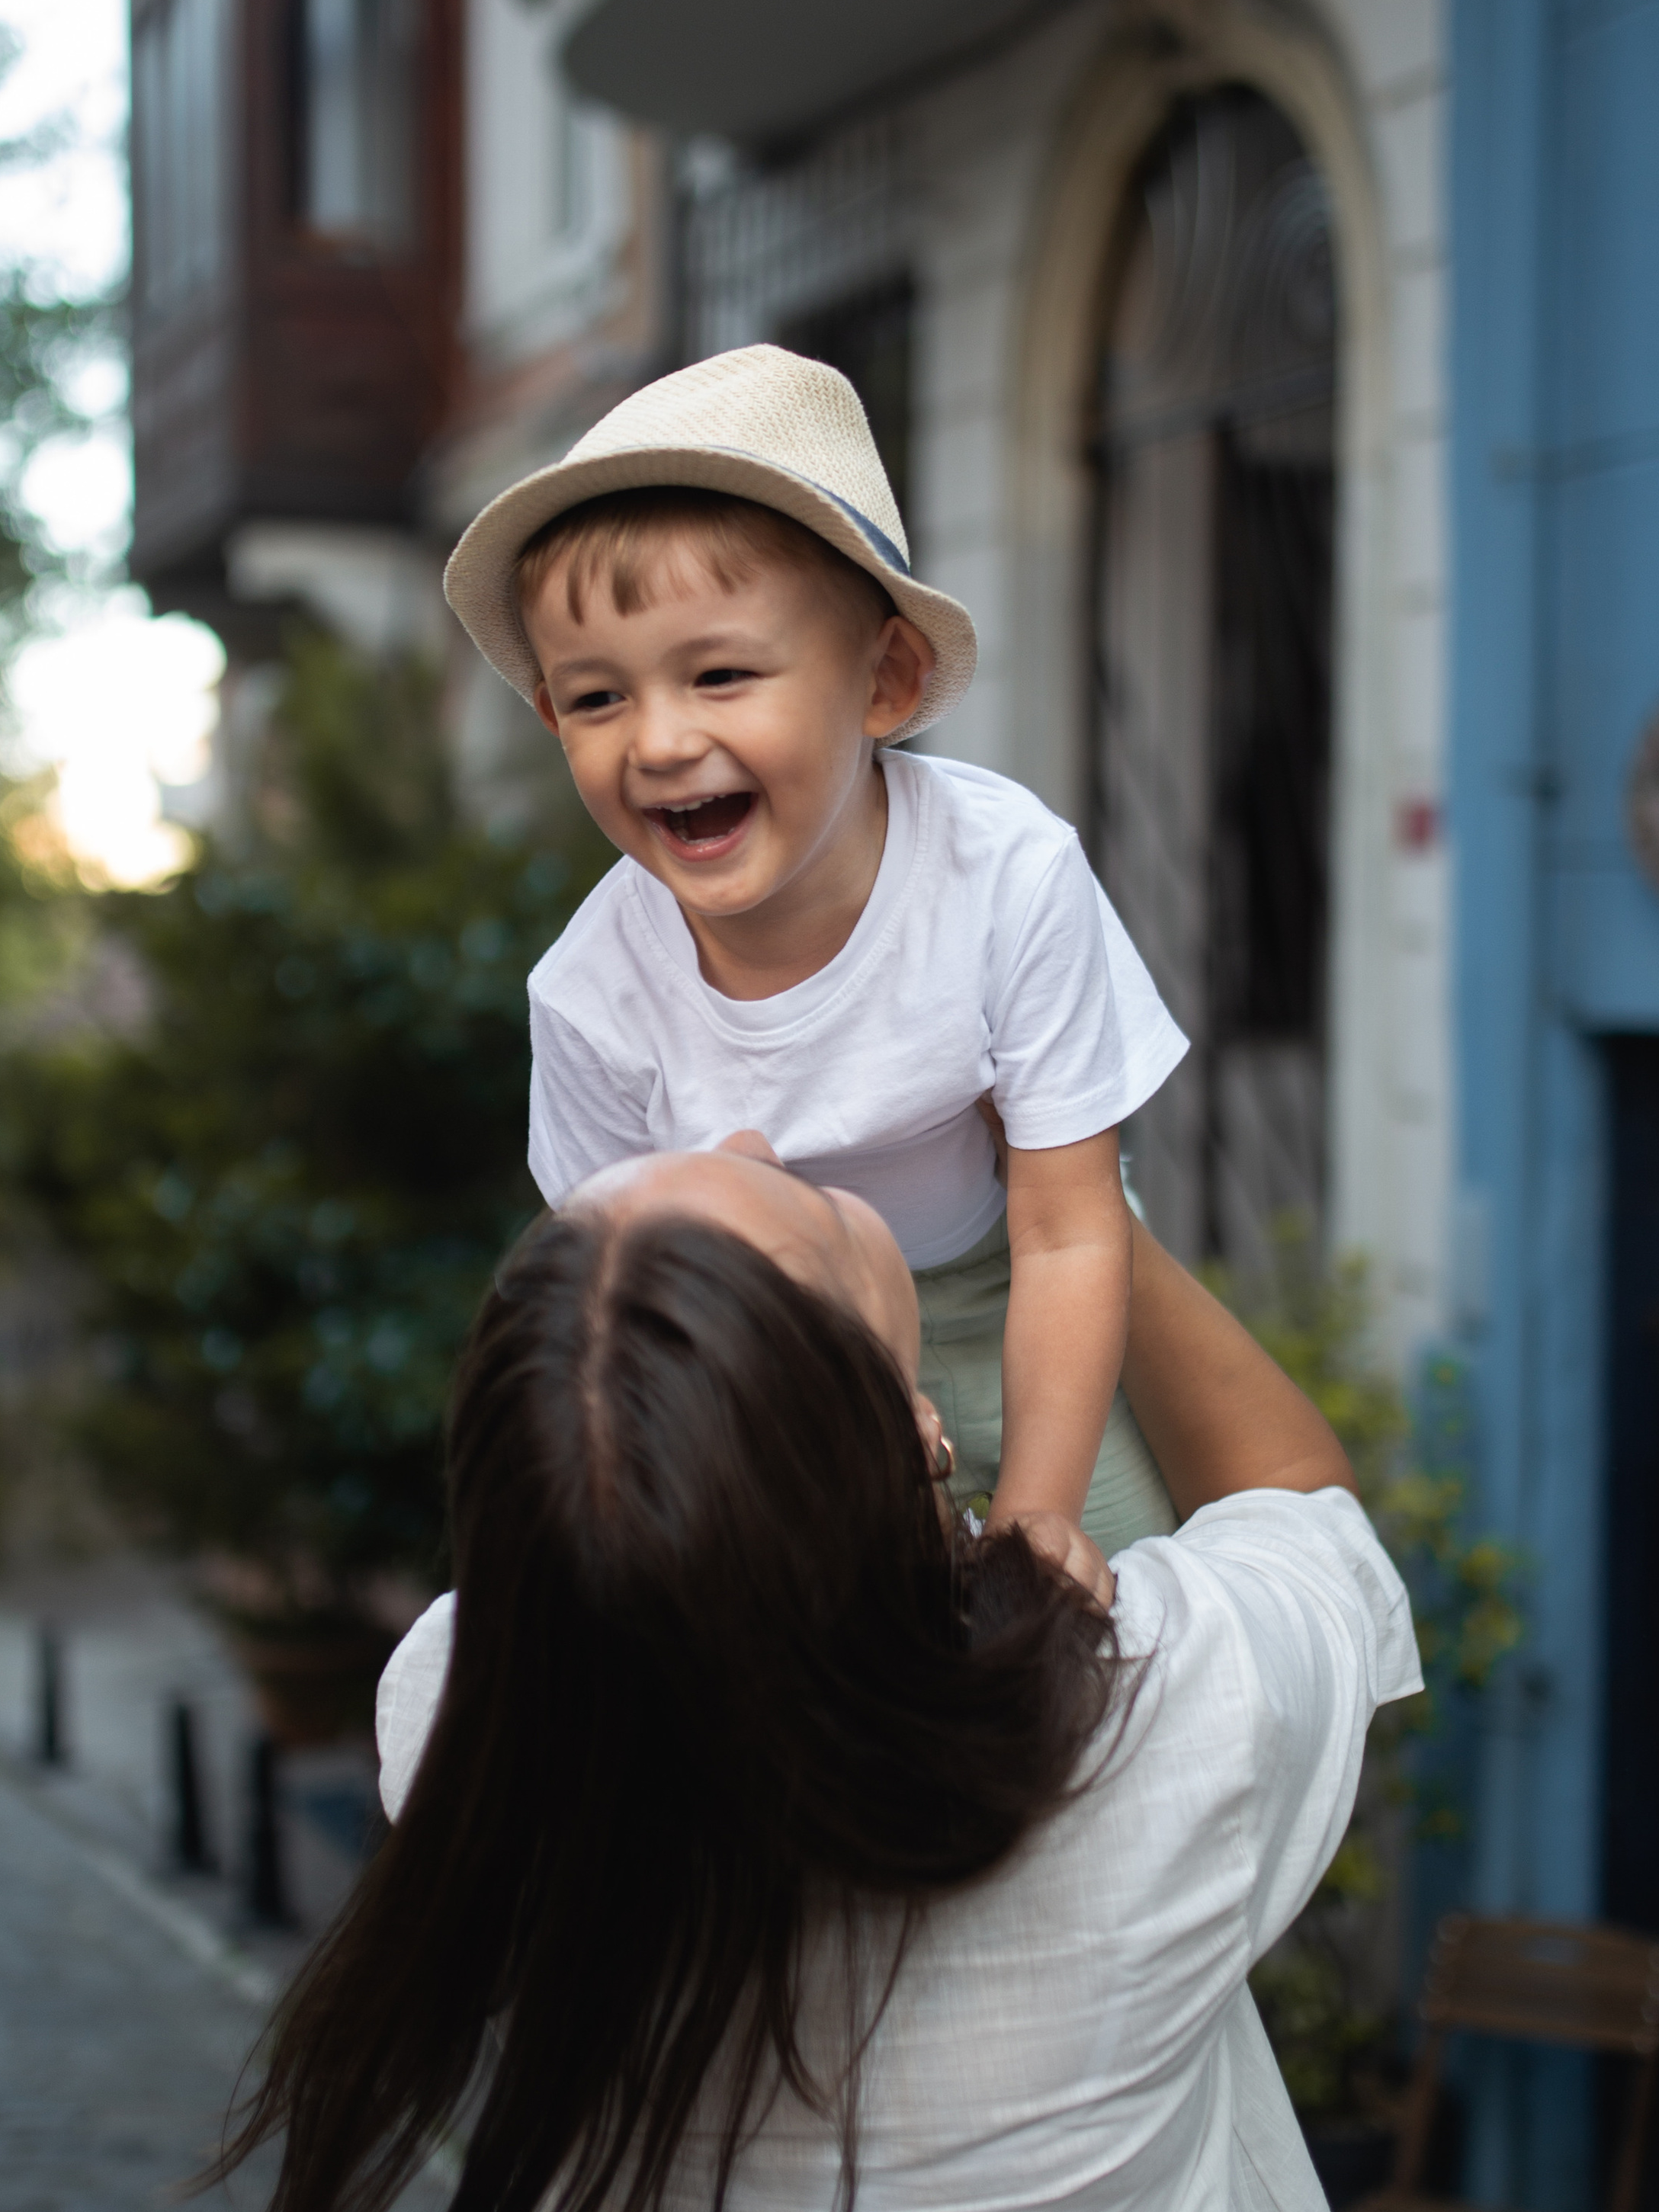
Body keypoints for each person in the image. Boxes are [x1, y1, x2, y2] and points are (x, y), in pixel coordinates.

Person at [200, 1141, 1421, 2212]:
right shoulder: (1143, 1733)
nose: (748, 1135)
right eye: (810, 1217)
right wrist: (1078, 1200)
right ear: (912, 1426)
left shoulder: (462, 1727)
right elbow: (1296, 1501)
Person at [440, 341, 1189, 1560]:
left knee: (1099, 1625)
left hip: (1029, 1293)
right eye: (597, 698)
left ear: (884, 680)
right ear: (550, 720)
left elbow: (1071, 1228)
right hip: (775, 1366)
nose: (661, 741)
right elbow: (622, 1309)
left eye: (721, 674)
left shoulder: (1005, 874)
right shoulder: (590, 999)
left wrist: (1042, 1516)